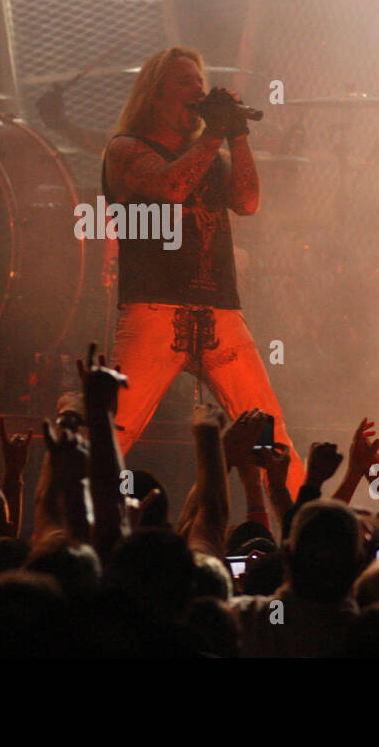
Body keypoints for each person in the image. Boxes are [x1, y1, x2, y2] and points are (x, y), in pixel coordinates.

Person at [101, 46, 305, 494]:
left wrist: (237, 137)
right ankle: (68, 523)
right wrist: (214, 134)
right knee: (114, 430)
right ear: (154, 95)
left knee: (270, 430)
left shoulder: (210, 152)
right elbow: (171, 186)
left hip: (221, 313)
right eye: (185, 81)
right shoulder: (126, 149)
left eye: (199, 80)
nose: (198, 89)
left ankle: (305, 527)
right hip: (155, 311)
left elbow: (248, 203)